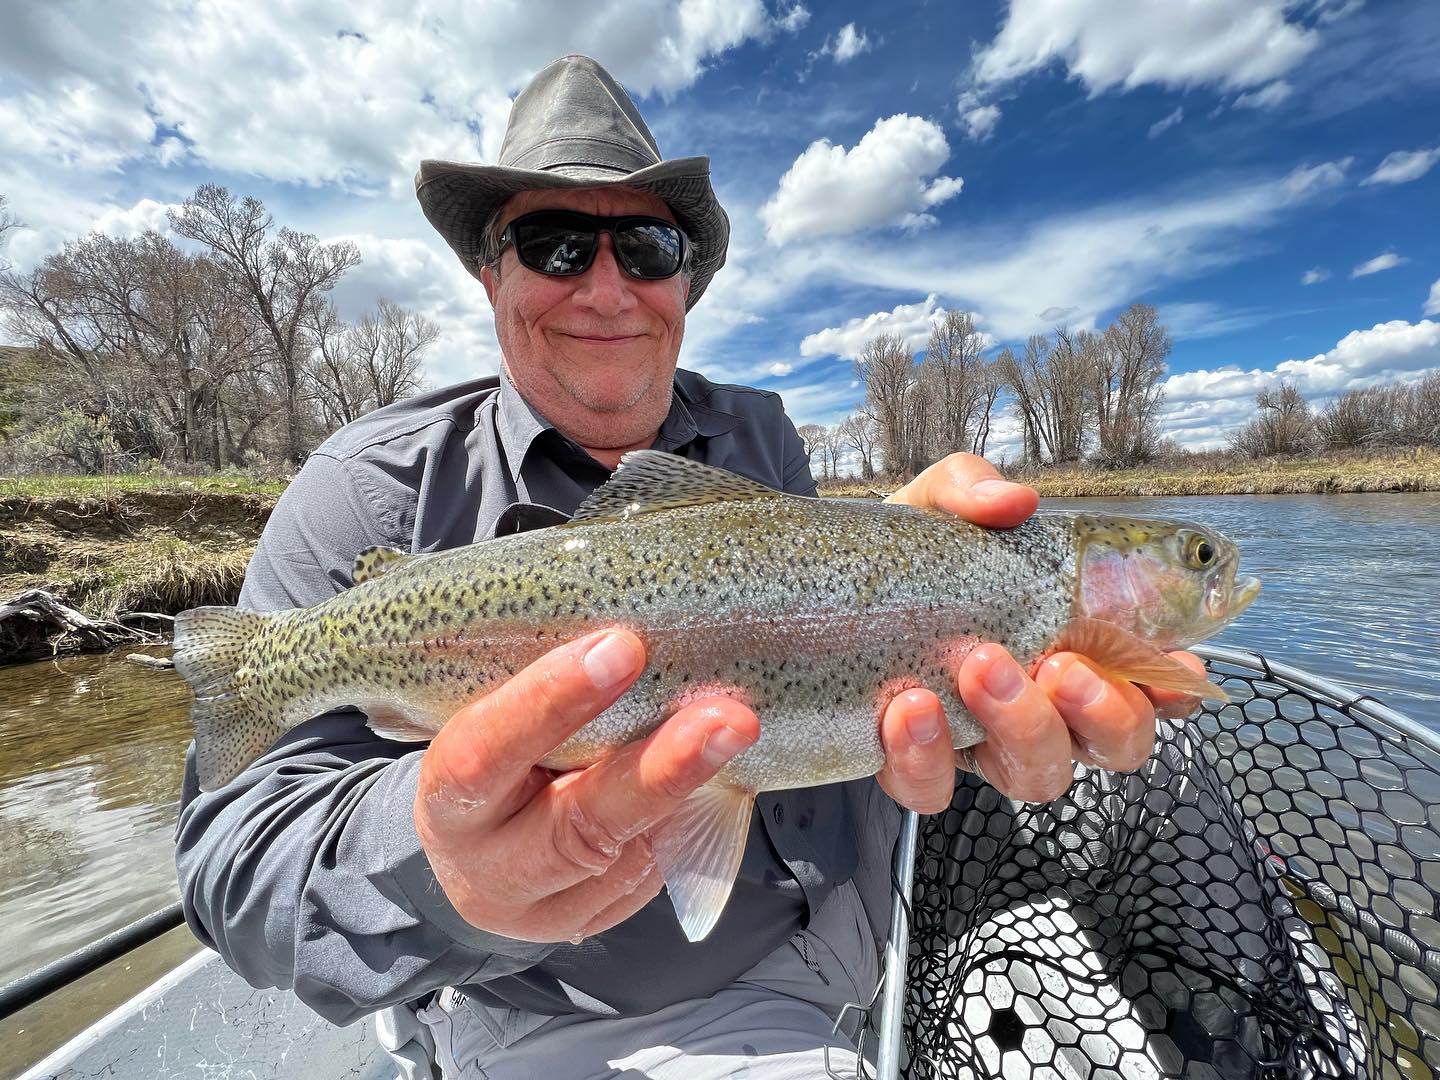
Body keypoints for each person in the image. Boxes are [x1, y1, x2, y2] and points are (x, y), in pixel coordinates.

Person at [175, 55, 1203, 1079]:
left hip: (842, 942)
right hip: (564, 1010)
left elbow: (805, 651)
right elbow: (234, 867)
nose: (608, 285)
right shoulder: (364, 488)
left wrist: (926, 607)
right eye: (557, 243)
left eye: (649, 245)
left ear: (685, 281)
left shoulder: (763, 436)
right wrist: (449, 867)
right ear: (491, 273)